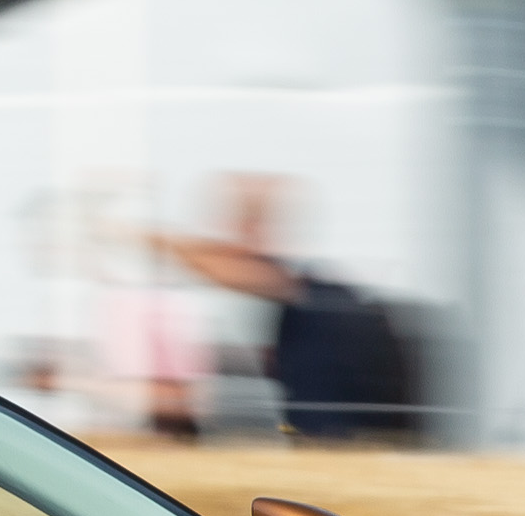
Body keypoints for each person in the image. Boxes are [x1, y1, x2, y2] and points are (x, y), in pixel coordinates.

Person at [155, 175, 422, 444]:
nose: (227, 234)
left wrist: (138, 238)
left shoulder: (317, 298)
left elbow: (228, 270)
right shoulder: (308, 301)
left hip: (346, 450)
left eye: (243, 220)